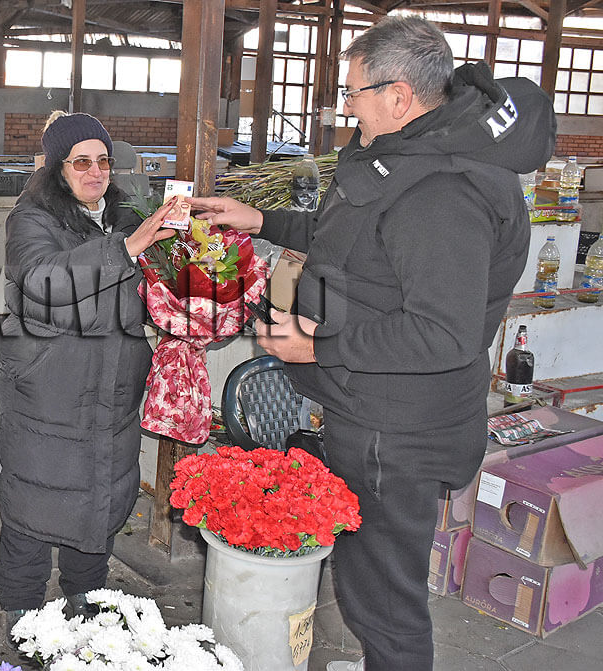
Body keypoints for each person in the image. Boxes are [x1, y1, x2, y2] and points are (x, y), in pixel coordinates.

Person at [188, 16, 555, 671]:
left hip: (399, 429)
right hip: (372, 408)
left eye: (352, 92)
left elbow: (442, 333)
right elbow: (353, 241)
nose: (345, 107)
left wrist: (318, 346)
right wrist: (263, 219)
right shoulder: (409, 159)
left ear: (399, 96)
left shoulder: (443, 193)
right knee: (370, 581)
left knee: (383, 603)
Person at [0, 112, 175, 633]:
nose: (95, 172)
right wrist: (126, 249)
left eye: (103, 161)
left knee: (102, 492)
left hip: (113, 384)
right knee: (35, 495)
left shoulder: (124, 215)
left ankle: (87, 594)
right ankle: (22, 607)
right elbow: (44, 282)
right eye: (81, 162)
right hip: (50, 384)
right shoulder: (31, 218)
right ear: (58, 168)